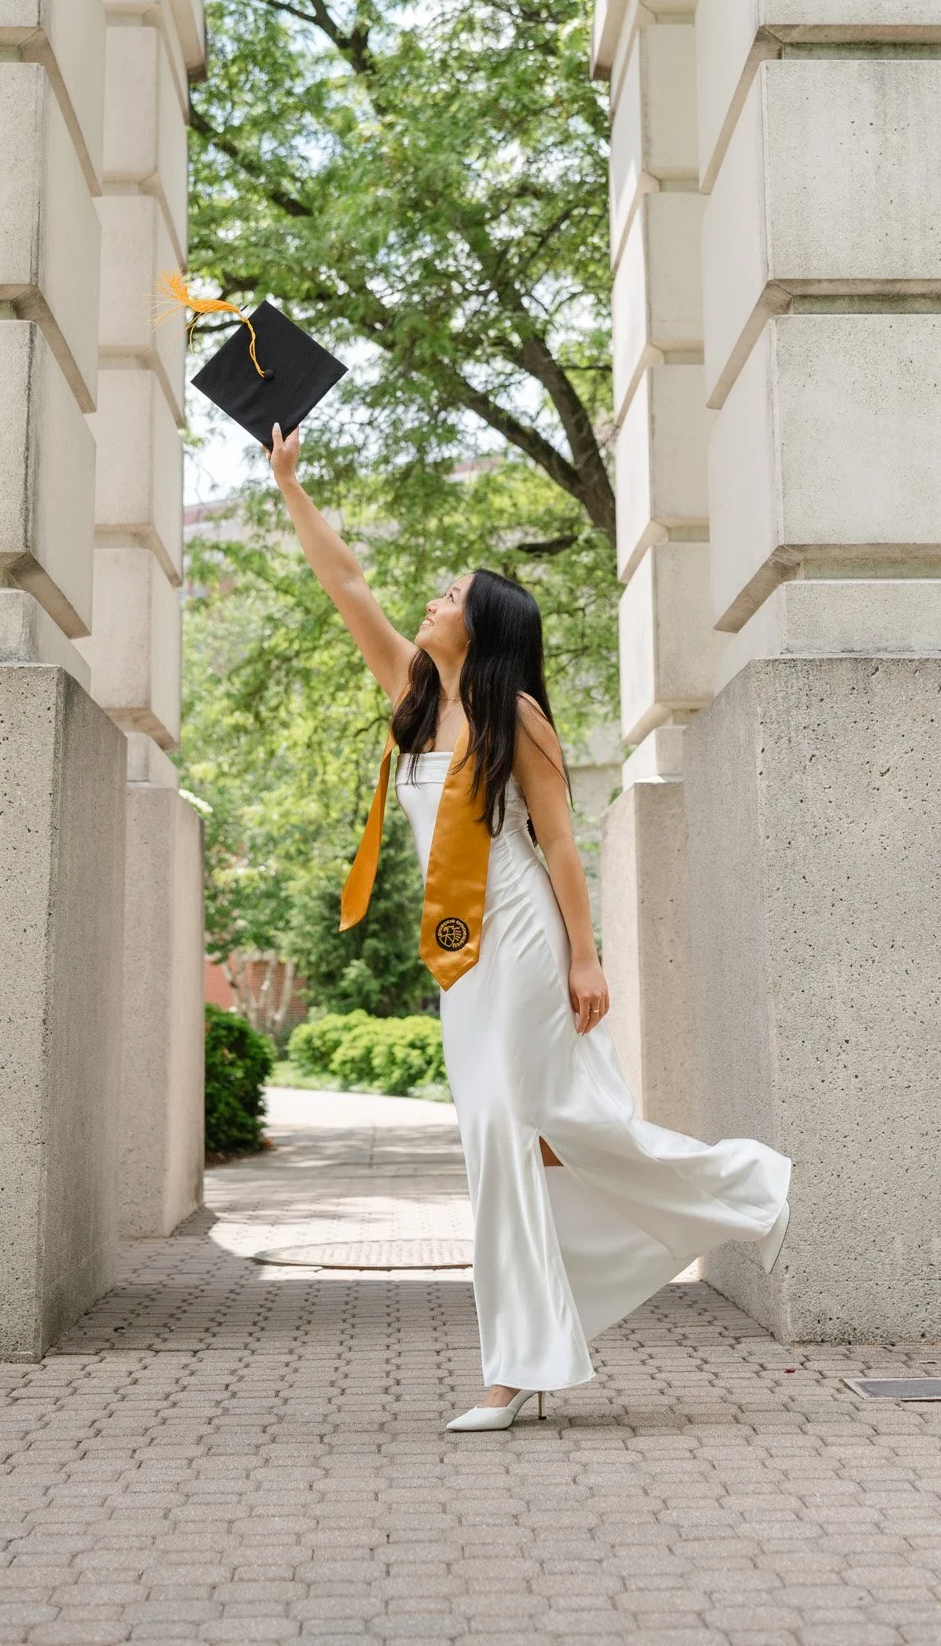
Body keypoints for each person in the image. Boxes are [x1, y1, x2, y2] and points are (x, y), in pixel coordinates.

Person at [269, 421, 793, 1431]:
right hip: (461, 956)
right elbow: (347, 586)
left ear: (486, 626)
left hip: (521, 936)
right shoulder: (413, 699)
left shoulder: (518, 716)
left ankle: (527, 1360)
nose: (432, 601)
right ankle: (714, 1213)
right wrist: (290, 485)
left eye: (452, 596)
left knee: (525, 1129)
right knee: (515, 1137)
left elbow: (558, 848)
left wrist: (586, 960)